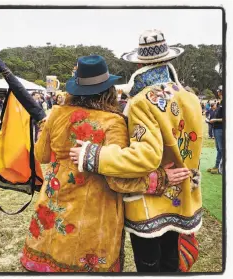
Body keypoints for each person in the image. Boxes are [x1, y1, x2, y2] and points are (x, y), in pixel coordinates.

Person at [20, 55, 189, 273]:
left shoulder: (56, 113)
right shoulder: (114, 122)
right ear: (109, 89)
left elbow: (41, 155)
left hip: (53, 206)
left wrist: (46, 127)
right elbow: (119, 180)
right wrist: (159, 179)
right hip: (94, 216)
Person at [70, 30, 203, 273]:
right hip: (183, 194)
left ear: (140, 62)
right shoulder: (190, 97)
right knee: (171, 263)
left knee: (150, 266)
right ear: (169, 59)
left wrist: (93, 155)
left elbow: (145, 157)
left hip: (150, 203)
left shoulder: (143, 100)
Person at [207, 85, 223, 174]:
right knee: (218, 148)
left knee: (221, 149)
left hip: (221, 129)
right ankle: (217, 166)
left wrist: (215, 120)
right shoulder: (220, 102)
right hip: (216, 128)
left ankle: (220, 168)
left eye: (219, 90)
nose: (217, 92)